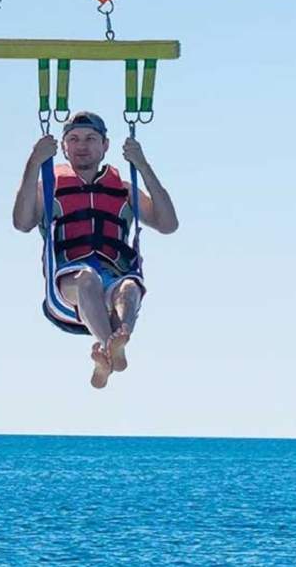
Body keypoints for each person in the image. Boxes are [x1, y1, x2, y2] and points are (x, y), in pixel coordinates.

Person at [12, 111, 177, 389]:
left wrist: (142, 165)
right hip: (67, 285)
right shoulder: (48, 187)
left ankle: (112, 351)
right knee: (88, 278)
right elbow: (22, 222)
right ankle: (108, 344)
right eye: (74, 139)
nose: (82, 145)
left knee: (130, 288)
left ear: (105, 146)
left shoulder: (123, 189)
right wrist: (34, 162)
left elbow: (168, 223)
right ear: (64, 147)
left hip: (113, 276)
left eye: (91, 139)